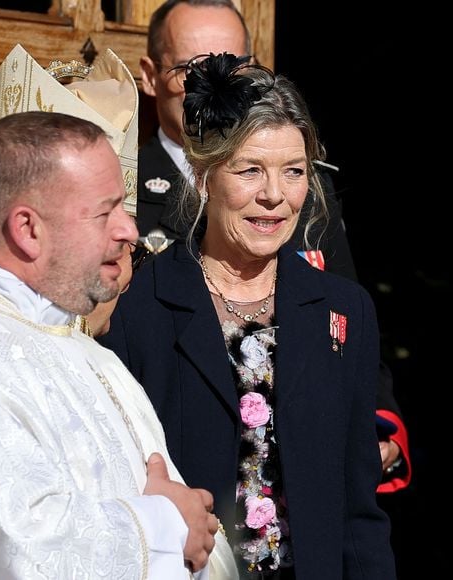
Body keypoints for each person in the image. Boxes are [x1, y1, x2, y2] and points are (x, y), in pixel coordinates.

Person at [0, 110, 243, 578]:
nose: (129, 231)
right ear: (28, 229)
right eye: (104, 211)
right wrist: (166, 525)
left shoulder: (72, 345)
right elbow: (21, 552)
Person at [99, 52, 397, 578]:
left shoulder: (343, 313)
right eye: (250, 169)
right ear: (205, 174)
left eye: (294, 172)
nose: (274, 196)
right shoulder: (139, 306)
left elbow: (357, 511)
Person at [136, 0, 409, 492]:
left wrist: (375, 426)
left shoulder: (304, 190)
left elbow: (343, 322)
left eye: (231, 68)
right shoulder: (123, 186)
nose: (210, 85)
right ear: (151, 76)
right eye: (189, 70)